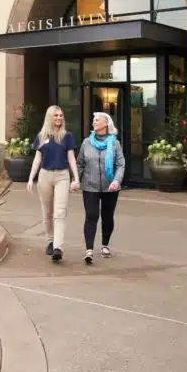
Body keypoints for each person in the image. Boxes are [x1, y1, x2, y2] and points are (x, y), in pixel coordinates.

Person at [26, 105, 79, 262]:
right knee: (47, 212)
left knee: (60, 212)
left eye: (61, 115)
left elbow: (71, 158)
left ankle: (58, 247)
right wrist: (30, 178)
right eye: (56, 115)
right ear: (50, 117)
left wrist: (76, 178)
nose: (59, 118)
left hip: (62, 175)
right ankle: (50, 241)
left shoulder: (67, 136)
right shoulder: (41, 136)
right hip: (45, 176)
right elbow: (37, 159)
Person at [74, 112, 125, 265]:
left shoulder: (114, 143)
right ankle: (89, 249)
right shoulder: (86, 143)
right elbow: (80, 163)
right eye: (93, 120)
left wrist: (116, 180)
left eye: (97, 120)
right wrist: (76, 180)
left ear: (106, 123)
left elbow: (121, 164)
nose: (93, 122)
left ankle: (104, 245)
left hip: (110, 187)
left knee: (107, 217)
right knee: (91, 215)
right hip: (90, 185)